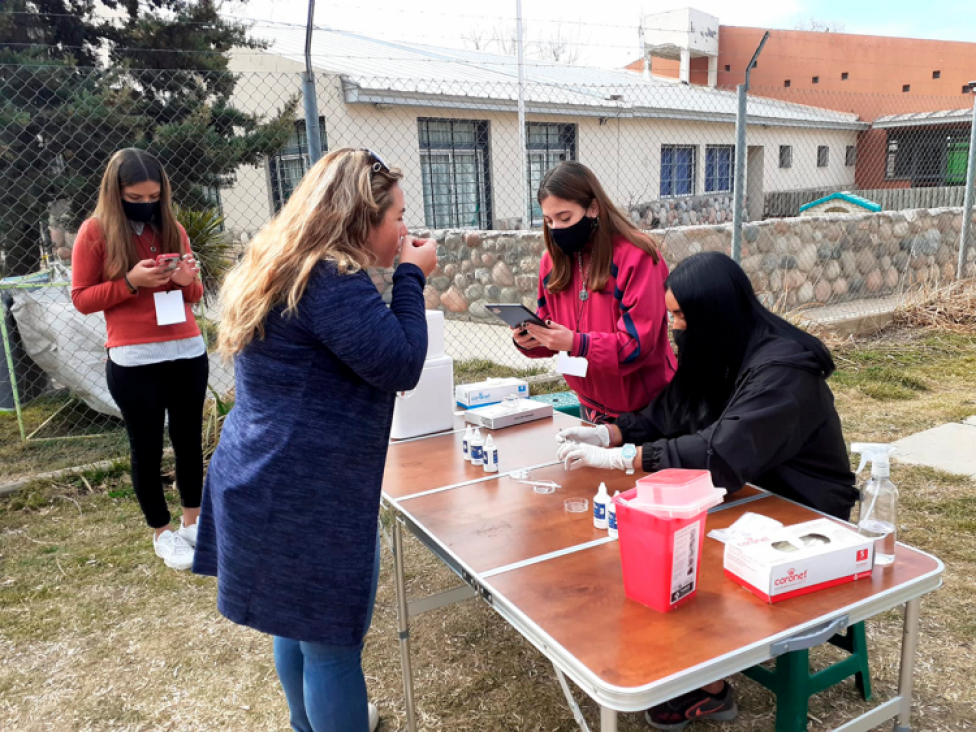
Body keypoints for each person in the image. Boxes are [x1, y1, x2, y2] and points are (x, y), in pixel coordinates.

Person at [555, 251, 858, 730]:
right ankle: (688, 657)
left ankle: (710, 683)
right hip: (750, 490)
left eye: (679, 315)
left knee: (682, 550)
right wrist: (612, 432)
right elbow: (678, 407)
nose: (673, 325)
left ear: (713, 312)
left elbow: (722, 454)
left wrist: (627, 460)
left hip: (805, 507)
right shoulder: (724, 344)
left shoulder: (783, 372)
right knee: (659, 540)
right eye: (672, 313)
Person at [192, 148, 437, 732]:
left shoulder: (282, 261)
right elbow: (400, 364)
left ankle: (309, 725)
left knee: (295, 625)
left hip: (261, 477)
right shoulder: (331, 278)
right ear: (361, 218)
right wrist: (411, 276)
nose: (403, 229)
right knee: (330, 641)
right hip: (302, 495)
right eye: (396, 216)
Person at [71, 148, 206, 572]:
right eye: (136, 196)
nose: (146, 203)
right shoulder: (95, 233)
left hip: (187, 350)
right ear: (117, 192)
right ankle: (162, 534)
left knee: (188, 443)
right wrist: (131, 281)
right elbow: (81, 298)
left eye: (153, 195)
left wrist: (187, 280)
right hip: (134, 358)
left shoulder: (173, 228)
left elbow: (195, 295)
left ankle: (193, 524)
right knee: (145, 449)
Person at [513, 161, 675, 423]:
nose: (556, 228)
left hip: (646, 409)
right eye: (548, 220)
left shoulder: (637, 257)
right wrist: (531, 340)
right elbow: (550, 330)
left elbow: (637, 345)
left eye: (565, 218)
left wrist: (577, 343)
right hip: (589, 406)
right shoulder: (551, 262)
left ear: (593, 208)